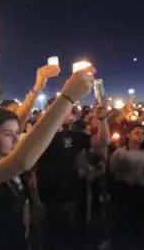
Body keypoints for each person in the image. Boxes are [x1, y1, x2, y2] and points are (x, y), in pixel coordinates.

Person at [0, 65, 95, 250]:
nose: (15, 139)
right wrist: (67, 98)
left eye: (16, 133)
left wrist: (37, 88)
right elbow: (20, 161)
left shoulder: (17, 174)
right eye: (6, 134)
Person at [36, 98, 109, 250]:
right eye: (61, 107)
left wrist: (102, 120)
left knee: (70, 238)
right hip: (50, 199)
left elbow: (101, 141)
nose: (66, 111)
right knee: (49, 239)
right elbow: (30, 171)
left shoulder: (71, 135)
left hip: (72, 195)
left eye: (67, 107)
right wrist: (35, 201)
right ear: (48, 111)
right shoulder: (39, 136)